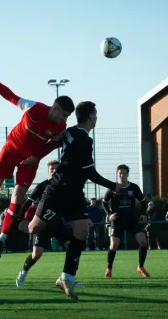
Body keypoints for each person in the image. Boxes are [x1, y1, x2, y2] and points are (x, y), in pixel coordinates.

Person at [0, 66, 75, 261]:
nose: (65, 119)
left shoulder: (60, 126)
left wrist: (37, 157)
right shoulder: (32, 107)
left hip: (29, 161)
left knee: (17, 197)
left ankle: (2, 238)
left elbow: (55, 143)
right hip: (10, 151)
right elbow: (9, 95)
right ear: (56, 109)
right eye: (65, 115)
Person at [27, 101, 120, 300]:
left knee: (82, 230)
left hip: (75, 193)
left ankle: (66, 278)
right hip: (58, 190)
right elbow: (90, 172)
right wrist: (112, 185)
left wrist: (37, 154)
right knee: (33, 228)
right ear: (91, 117)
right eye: (95, 115)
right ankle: (12, 223)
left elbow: (54, 142)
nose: (96, 118)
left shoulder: (71, 131)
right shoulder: (85, 140)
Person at [14, 160, 61, 287]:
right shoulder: (41, 186)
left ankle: (69, 277)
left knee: (72, 246)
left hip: (58, 223)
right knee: (37, 254)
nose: (54, 171)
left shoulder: (65, 186)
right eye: (52, 169)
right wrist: (20, 216)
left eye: (57, 168)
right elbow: (28, 202)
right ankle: (23, 273)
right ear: (48, 171)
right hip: (42, 224)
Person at [102, 164, 150, 278]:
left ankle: (141, 266)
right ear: (117, 174)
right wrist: (109, 214)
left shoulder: (133, 187)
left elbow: (143, 201)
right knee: (114, 245)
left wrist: (143, 213)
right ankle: (109, 268)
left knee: (143, 241)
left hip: (132, 219)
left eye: (124, 173)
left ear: (127, 174)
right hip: (117, 220)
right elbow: (104, 202)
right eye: (120, 173)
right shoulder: (112, 188)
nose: (122, 175)